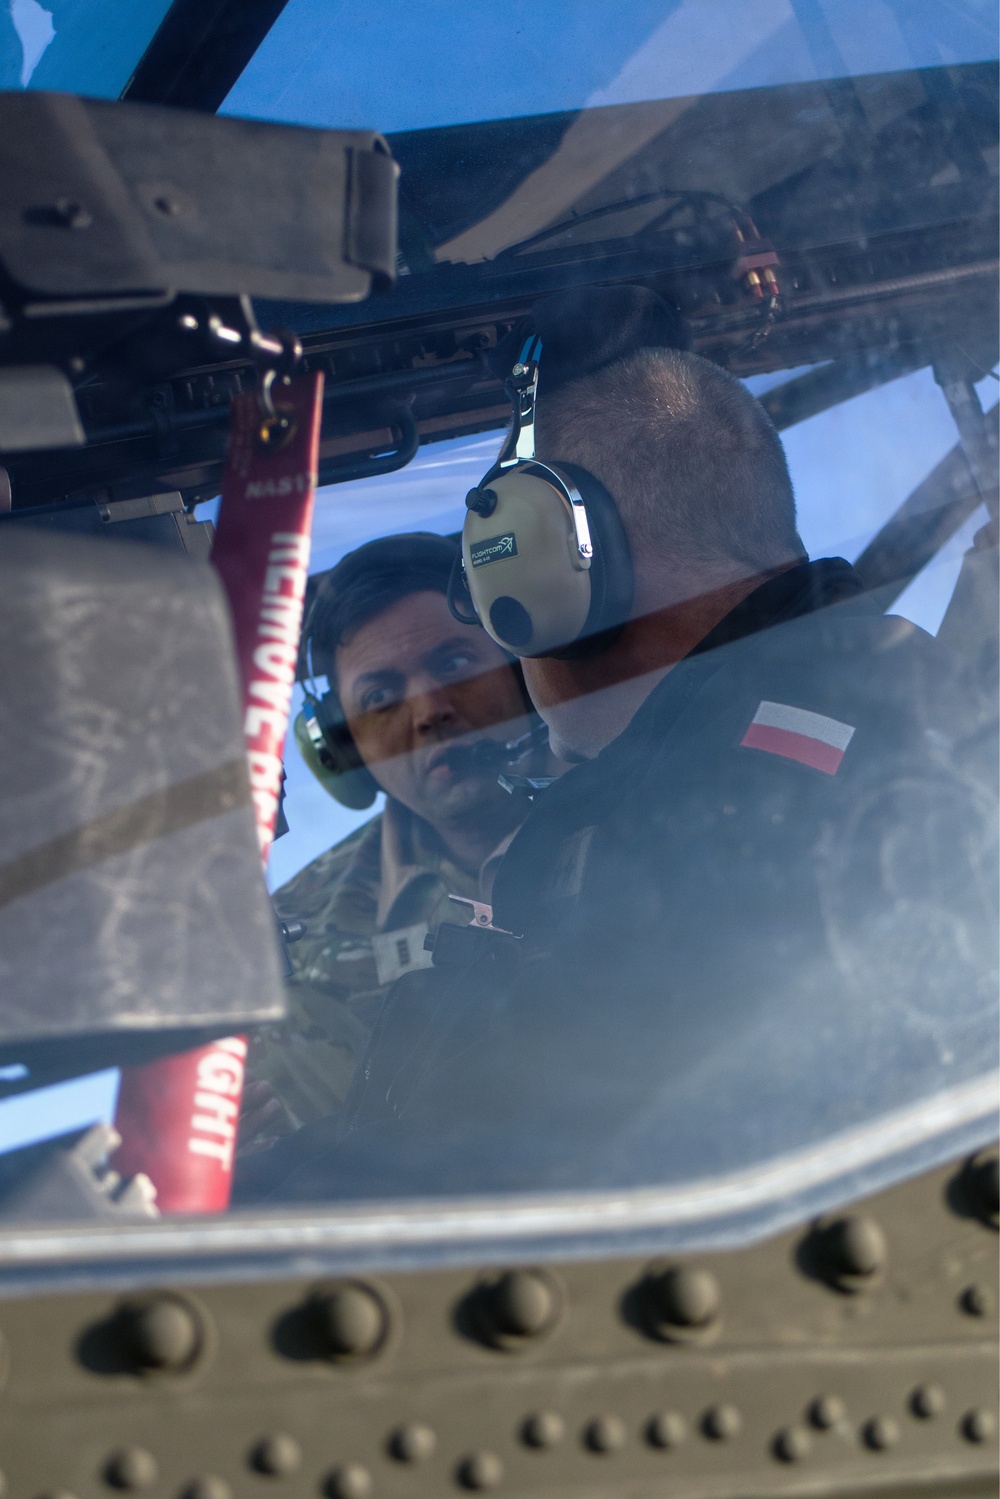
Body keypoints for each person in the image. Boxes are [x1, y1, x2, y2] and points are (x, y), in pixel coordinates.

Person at [247, 288, 997, 1202]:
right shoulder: (842, 714)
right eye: (380, 698)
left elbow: (505, 1159)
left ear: (537, 576)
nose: (440, 707)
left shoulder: (732, 805)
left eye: (475, 627)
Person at [238, 532, 550, 1152]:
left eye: (454, 663)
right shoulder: (291, 957)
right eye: (380, 696)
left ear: (520, 663)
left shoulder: (664, 806)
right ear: (340, 749)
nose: (428, 710)